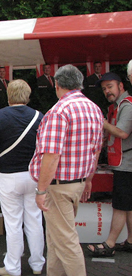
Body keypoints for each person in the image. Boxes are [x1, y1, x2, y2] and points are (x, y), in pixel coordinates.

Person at [29, 64, 104, 276]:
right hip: (77, 183)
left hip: (59, 187)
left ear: (57, 84)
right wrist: (88, 180)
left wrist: (41, 190)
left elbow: (51, 156)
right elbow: (95, 150)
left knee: (66, 241)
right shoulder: (94, 109)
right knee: (56, 240)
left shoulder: (59, 110)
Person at [0, 79, 45, 276]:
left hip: (8, 176)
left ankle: (13, 267)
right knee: (35, 221)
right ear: (27, 95)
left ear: (9, 95)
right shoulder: (39, 116)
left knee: (13, 224)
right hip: (34, 176)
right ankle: (37, 265)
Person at [87, 70, 132, 257]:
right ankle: (130, 241)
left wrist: (102, 122)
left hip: (127, 163)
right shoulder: (117, 105)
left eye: (110, 87)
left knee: (121, 205)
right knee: (128, 205)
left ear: (121, 85)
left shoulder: (127, 106)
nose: (107, 91)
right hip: (123, 162)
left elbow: (122, 133)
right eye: (105, 89)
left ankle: (110, 244)